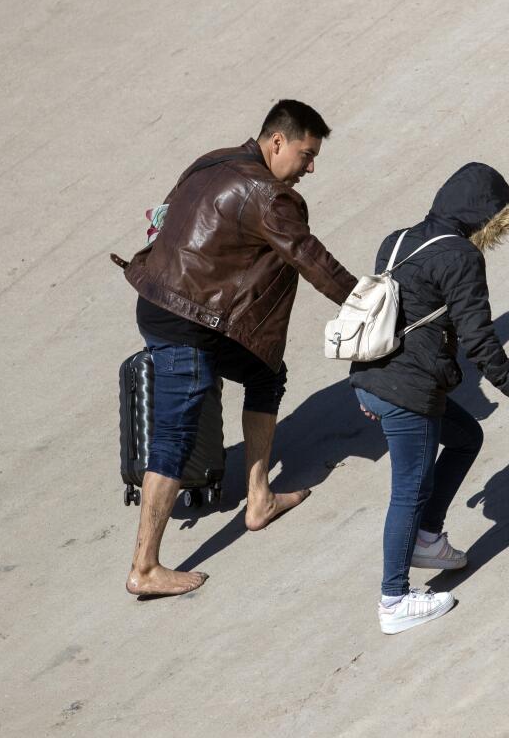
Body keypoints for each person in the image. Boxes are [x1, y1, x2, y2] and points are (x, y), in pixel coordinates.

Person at [119, 100, 358, 597]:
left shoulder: (212, 161)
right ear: (277, 142)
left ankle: (259, 497)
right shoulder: (269, 196)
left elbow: (161, 218)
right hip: (188, 319)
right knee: (175, 435)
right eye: (306, 154)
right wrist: (365, 301)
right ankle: (144, 567)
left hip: (162, 299)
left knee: (265, 373)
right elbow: (309, 258)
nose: (310, 167)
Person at [349, 162, 509, 634]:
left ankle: (427, 537)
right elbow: (479, 338)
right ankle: (394, 600)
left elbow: (382, 314)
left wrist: (370, 382)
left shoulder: (395, 240)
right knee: (408, 491)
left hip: (373, 378)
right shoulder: (460, 257)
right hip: (407, 390)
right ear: (486, 217)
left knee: (464, 437)